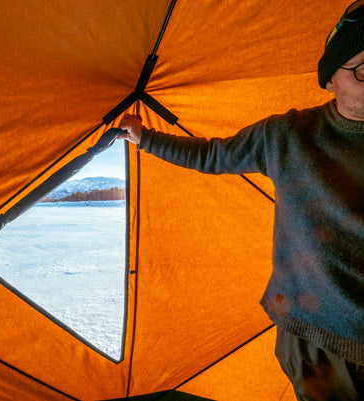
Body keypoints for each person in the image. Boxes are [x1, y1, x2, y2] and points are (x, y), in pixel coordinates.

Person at [118, 2, 364, 400]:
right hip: (316, 334)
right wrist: (145, 138)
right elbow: (213, 156)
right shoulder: (288, 137)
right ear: (330, 80)